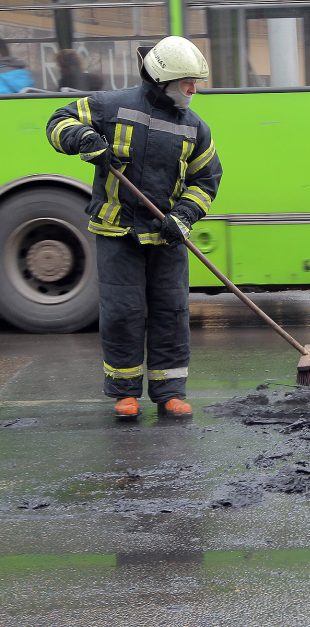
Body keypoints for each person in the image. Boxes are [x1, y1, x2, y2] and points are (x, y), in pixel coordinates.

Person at [46, 36, 222, 419]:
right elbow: (59, 121)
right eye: (186, 81)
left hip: (167, 235)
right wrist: (84, 138)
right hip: (118, 232)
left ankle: (170, 391)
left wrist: (185, 216)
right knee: (123, 312)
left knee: (171, 312)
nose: (193, 89)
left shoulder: (196, 128)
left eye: (195, 81)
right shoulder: (112, 106)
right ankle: (125, 393)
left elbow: (206, 181)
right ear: (162, 79)